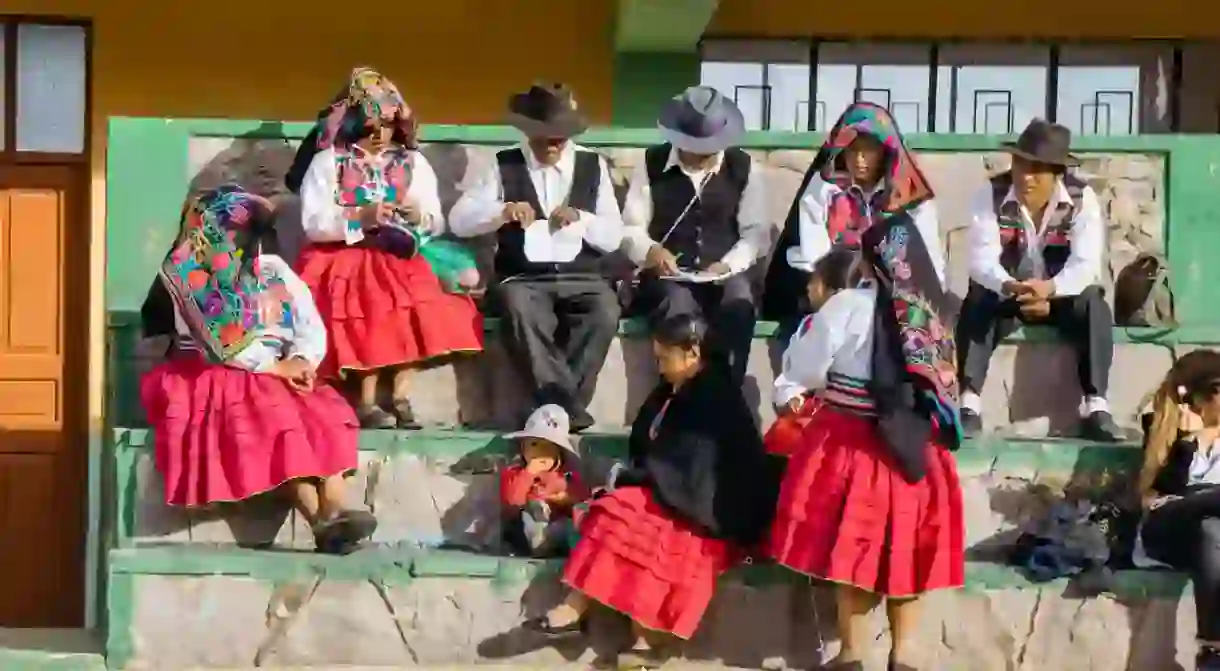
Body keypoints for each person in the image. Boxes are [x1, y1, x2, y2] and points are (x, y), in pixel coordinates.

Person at [520, 314, 782, 669]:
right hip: (674, 498)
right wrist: (638, 478)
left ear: (692, 353)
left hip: (710, 515)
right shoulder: (672, 392)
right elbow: (655, 451)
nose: (659, 366)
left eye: (664, 358)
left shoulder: (715, 398)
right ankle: (583, 614)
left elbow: (698, 472)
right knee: (625, 509)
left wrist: (637, 479)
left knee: (638, 516)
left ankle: (629, 633)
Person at [768, 211, 964, 671]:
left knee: (853, 550)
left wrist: (800, 387)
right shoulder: (937, 313)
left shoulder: (847, 307)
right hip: (918, 450)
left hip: (854, 444)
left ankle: (854, 654)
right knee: (908, 553)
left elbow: (807, 370)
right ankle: (906, 654)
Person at [139, 186, 376, 555]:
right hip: (214, 369)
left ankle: (336, 507)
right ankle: (320, 520)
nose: (240, 238)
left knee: (324, 411)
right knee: (275, 418)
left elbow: (308, 322)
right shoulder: (189, 271)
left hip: (278, 368)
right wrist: (272, 367)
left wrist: (302, 359)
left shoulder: (274, 270)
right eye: (232, 228)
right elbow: (218, 338)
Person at [285, 67, 483, 429]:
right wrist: (361, 216)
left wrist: (417, 213)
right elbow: (314, 222)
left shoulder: (413, 163)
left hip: (403, 250)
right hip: (344, 253)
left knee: (418, 295)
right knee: (369, 300)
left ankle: (401, 394)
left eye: (387, 127)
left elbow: (435, 220)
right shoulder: (330, 162)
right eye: (370, 128)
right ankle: (367, 398)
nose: (379, 136)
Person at [449, 83, 623, 431]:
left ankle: (553, 409)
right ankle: (566, 410)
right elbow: (458, 221)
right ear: (529, 133)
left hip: (583, 277)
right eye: (545, 138)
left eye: (560, 138)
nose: (553, 144)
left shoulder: (593, 165)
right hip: (523, 279)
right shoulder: (504, 165)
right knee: (518, 307)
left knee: (605, 311)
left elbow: (613, 236)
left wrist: (582, 219)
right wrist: (501, 212)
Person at [956, 119, 1122, 441]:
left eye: (1037, 169)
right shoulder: (989, 195)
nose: (1026, 177)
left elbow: (1086, 265)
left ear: (1057, 173)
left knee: (1095, 305)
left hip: (1059, 294)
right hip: (1007, 290)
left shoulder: (1082, 199)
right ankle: (968, 406)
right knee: (977, 299)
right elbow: (980, 262)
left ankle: (1096, 407)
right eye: (1021, 165)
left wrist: (1049, 290)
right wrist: (1012, 287)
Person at [622, 86, 770, 383]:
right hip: (668, 278)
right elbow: (630, 229)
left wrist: (728, 265)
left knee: (739, 303)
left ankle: (724, 394)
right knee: (678, 311)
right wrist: (651, 252)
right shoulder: (651, 163)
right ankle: (680, 394)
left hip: (724, 273)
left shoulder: (743, 167)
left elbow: (757, 233)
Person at [762, 102, 945, 335]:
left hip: (894, 291)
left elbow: (929, 261)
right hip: (833, 288)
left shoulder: (911, 198)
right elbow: (815, 254)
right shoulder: (824, 189)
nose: (859, 159)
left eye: (868, 150)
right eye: (852, 149)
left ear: (885, 152)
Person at [1134, 349, 1220, 670]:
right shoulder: (1169, 432)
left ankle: (1212, 653)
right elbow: (1163, 493)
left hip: (1208, 538)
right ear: (1203, 399)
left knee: (1211, 529)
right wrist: (1187, 442)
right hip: (1166, 529)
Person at [766, 248, 858, 457]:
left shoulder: (827, 325)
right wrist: (792, 394)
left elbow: (806, 372)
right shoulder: (812, 323)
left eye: (815, 281)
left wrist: (790, 394)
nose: (808, 287)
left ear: (834, 291)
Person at [499, 404, 590, 558]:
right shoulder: (515, 473)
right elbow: (512, 500)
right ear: (523, 448)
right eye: (534, 445)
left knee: (567, 524)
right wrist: (528, 474)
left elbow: (582, 499)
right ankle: (537, 529)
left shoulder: (566, 475)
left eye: (549, 447)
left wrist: (563, 499)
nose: (541, 452)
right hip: (524, 529)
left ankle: (548, 540)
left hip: (555, 523)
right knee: (528, 515)